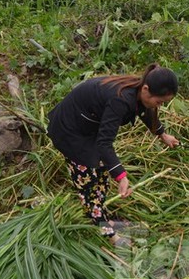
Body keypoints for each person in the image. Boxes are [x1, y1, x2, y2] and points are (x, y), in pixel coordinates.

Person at [47, 63, 179, 245]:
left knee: (101, 173)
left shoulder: (139, 90)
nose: (160, 106)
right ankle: (107, 233)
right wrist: (121, 176)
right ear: (147, 89)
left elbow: (146, 110)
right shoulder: (121, 99)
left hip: (89, 127)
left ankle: (104, 216)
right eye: (160, 102)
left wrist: (162, 134)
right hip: (70, 131)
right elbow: (104, 144)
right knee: (88, 183)